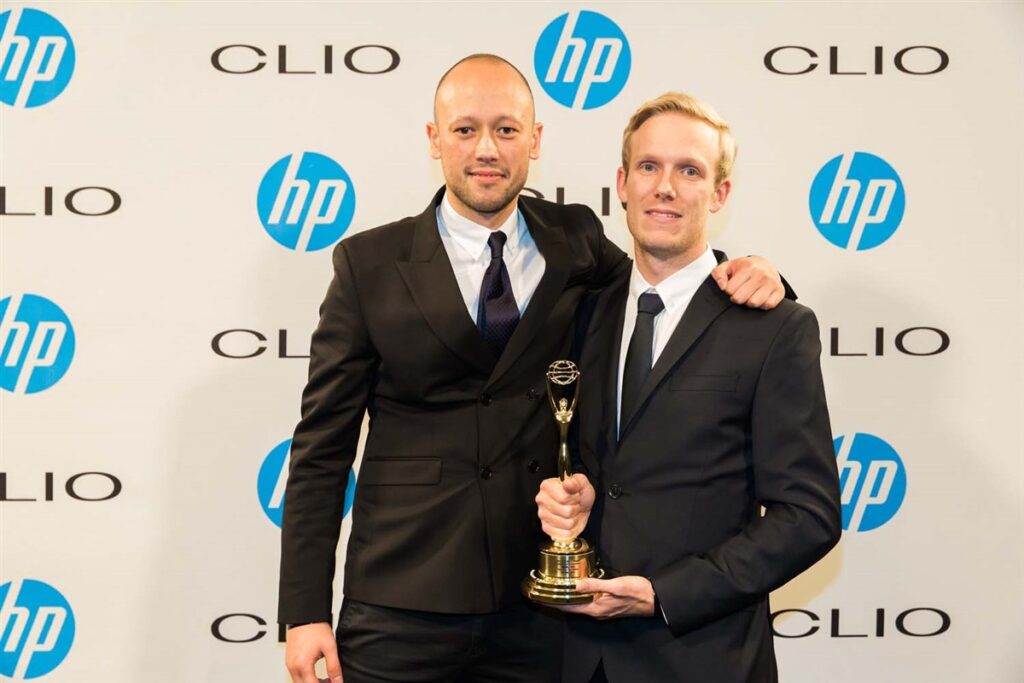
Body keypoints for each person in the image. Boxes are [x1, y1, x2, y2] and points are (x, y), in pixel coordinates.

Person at [279, 56, 787, 683]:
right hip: (401, 604)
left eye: (507, 130)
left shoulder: (575, 239)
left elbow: (666, 286)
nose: (486, 150)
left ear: (535, 140)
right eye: (465, 130)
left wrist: (756, 273)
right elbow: (322, 450)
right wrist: (304, 610)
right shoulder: (369, 264)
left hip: (541, 608)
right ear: (434, 139)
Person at [535, 92, 843, 683]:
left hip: (705, 658)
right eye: (649, 166)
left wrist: (666, 594)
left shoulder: (773, 327)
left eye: (690, 171)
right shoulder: (580, 314)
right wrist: (570, 498)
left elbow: (808, 516)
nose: (665, 188)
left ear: (719, 194)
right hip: (578, 658)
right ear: (622, 184)